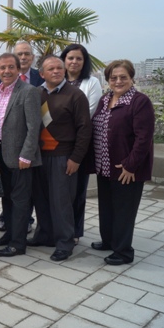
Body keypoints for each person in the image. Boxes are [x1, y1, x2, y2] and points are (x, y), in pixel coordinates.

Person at [90, 60, 155, 265]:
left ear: (131, 78)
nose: (118, 81)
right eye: (113, 78)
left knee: (124, 211)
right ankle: (109, 241)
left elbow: (144, 138)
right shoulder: (105, 99)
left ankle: (123, 251)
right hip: (104, 166)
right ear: (108, 80)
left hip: (126, 168)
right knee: (107, 207)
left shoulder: (139, 101)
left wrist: (131, 165)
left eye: (123, 77)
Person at [31, 56, 91, 262]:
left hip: (63, 157)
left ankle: (65, 242)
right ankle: (44, 234)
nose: (56, 71)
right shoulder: (36, 94)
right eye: (51, 68)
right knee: (42, 199)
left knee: (61, 201)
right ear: (42, 74)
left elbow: (85, 129)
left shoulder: (75, 95)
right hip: (39, 156)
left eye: (59, 67)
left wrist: (76, 158)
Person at [0, 53, 42, 257]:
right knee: (7, 197)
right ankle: (8, 234)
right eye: (2, 68)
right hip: (1, 153)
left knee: (20, 200)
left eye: (11, 67)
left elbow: (34, 126)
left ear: (18, 70)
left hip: (21, 157)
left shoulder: (29, 92)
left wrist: (26, 156)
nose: (6, 71)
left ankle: (18, 244)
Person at [60, 44, 102, 242]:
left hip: (80, 144)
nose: (74, 62)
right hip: (56, 145)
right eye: (70, 58)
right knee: (58, 189)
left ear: (84, 62)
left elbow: (88, 113)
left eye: (78, 58)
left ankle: (75, 232)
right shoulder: (56, 80)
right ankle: (57, 227)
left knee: (77, 190)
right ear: (64, 60)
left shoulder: (91, 83)